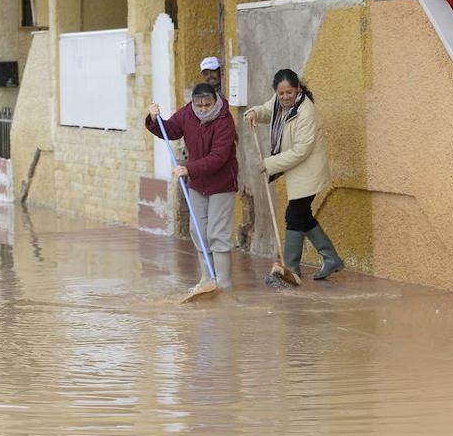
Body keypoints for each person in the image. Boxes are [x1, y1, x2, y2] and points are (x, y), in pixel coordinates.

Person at [244, 69, 343, 284]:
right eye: (281, 93)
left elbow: (301, 151)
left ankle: (290, 270)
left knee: (294, 216)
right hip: (296, 172)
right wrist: (254, 113)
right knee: (303, 215)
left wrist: (269, 164)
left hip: (309, 172)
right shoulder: (279, 102)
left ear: (297, 89)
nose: (285, 97)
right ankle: (331, 258)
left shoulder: (307, 112)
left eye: (289, 92)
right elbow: (267, 110)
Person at [146, 83, 239, 288]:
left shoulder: (225, 120)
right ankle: (206, 279)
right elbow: (170, 129)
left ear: (215, 100)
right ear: (193, 103)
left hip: (222, 183)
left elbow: (219, 156)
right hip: (198, 184)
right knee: (198, 231)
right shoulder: (188, 113)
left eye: (207, 104)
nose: (204, 109)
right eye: (199, 105)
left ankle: (223, 283)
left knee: (217, 233)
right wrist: (155, 119)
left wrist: (189, 169)